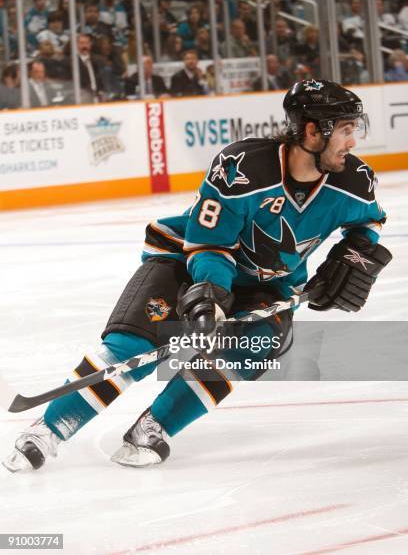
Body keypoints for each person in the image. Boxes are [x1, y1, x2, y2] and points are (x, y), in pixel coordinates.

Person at [3, 80, 392, 473]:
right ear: (313, 130)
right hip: (186, 259)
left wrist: (352, 259)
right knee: (134, 345)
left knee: (251, 347)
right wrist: (210, 296)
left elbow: (369, 223)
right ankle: (50, 429)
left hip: (268, 284)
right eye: (345, 130)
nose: (353, 142)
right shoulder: (243, 168)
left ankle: (156, 426)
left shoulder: (354, 180)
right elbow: (209, 245)